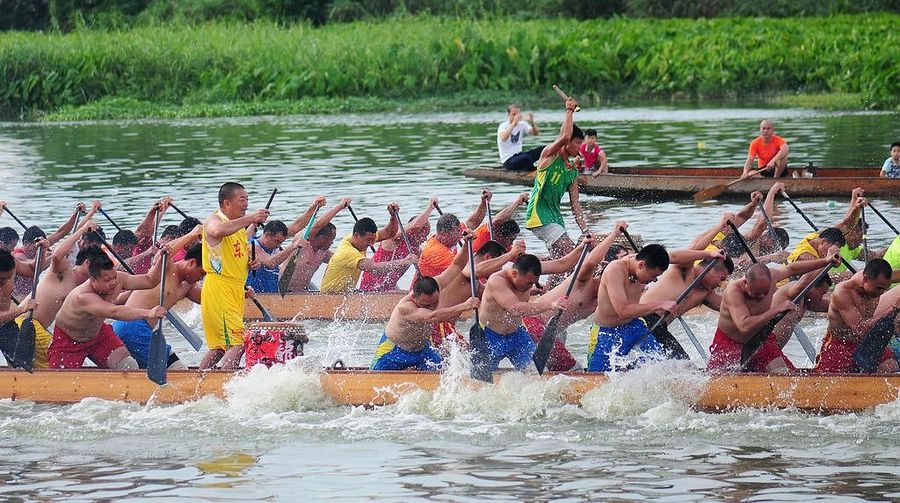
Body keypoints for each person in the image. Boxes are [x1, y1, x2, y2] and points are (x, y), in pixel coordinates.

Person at [708, 254, 838, 373]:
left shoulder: (773, 276)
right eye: (757, 293)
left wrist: (824, 261)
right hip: (730, 342)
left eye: (765, 292)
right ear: (745, 283)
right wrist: (777, 309)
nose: (761, 297)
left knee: (785, 378)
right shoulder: (733, 291)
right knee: (717, 382)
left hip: (762, 340)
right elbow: (744, 325)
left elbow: (792, 269)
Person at [524, 223, 627, 371]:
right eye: (622, 262)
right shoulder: (584, 281)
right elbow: (591, 261)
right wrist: (614, 234)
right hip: (534, 324)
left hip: (553, 334)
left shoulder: (609, 297)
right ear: (606, 265)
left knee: (556, 372)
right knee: (574, 371)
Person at [50, 252, 166, 369]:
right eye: (107, 280)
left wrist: (161, 259)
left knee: (128, 366)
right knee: (61, 382)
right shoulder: (83, 296)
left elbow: (149, 281)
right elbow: (114, 312)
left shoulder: (118, 279)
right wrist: (149, 313)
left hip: (98, 335)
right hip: (68, 341)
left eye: (114, 277)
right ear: (93, 280)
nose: (113, 283)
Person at [199, 182, 269, 370]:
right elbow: (216, 231)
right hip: (220, 289)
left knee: (220, 347)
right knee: (238, 343)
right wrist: (251, 219)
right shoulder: (214, 219)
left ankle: (199, 381)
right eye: (242, 199)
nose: (246, 204)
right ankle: (227, 384)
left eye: (247, 199)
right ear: (226, 203)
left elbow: (234, 256)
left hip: (235, 289)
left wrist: (249, 264)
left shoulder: (237, 229)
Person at [14, 220, 102, 369]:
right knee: (57, 362)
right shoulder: (64, 271)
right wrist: (81, 230)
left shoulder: (83, 286)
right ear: (86, 263)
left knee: (50, 364)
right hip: (27, 324)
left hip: (38, 327)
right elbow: (56, 256)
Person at [114, 242, 205, 369]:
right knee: (178, 370)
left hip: (139, 330)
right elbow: (162, 254)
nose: (201, 278)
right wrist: (194, 234)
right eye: (202, 273)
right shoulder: (167, 268)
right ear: (192, 263)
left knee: (144, 373)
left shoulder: (187, 287)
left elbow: (209, 300)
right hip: (132, 325)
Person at [587, 244, 674, 372]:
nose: (654, 280)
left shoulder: (641, 264)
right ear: (641, 265)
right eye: (653, 275)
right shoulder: (615, 270)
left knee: (660, 367)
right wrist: (659, 304)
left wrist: (708, 255)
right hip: (606, 333)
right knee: (599, 380)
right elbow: (623, 311)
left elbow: (677, 257)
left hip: (634, 327)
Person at [525, 96, 589, 265]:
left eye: (581, 143)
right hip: (539, 216)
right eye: (577, 142)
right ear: (568, 143)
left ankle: (547, 289)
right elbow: (564, 137)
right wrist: (569, 110)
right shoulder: (549, 155)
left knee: (560, 262)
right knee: (572, 256)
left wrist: (586, 231)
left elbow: (575, 205)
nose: (579, 147)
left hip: (555, 219)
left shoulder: (572, 171)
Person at [478, 254, 568, 372]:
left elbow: (563, 265)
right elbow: (514, 308)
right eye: (529, 283)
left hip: (517, 336)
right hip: (489, 336)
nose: (530, 286)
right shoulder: (496, 281)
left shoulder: (523, 281)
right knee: (482, 380)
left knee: (537, 373)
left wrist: (582, 247)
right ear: (514, 273)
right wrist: (550, 304)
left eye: (533, 284)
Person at [370, 276, 479, 371]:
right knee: (372, 379)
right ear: (414, 298)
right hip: (393, 350)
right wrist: (463, 306)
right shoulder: (405, 307)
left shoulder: (436, 284)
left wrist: (465, 251)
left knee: (444, 375)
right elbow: (431, 316)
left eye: (435, 303)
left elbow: (456, 265)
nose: (432, 307)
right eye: (426, 305)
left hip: (423, 351)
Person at [641, 248, 733, 359]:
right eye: (722, 278)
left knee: (684, 364)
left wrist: (740, 289)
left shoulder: (705, 293)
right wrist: (718, 230)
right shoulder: (684, 269)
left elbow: (732, 307)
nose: (720, 284)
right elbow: (687, 250)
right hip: (643, 318)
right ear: (710, 269)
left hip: (660, 327)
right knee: (683, 364)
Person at [816, 259, 899, 373]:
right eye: (879, 288)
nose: (882, 292)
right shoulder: (843, 292)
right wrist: (893, 309)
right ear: (865, 279)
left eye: (885, 288)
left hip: (868, 341)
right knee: (828, 383)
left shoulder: (879, 279)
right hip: (840, 343)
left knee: (891, 368)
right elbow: (860, 330)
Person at [320, 204, 417, 293]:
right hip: (328, 297)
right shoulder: (347, 252)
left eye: (373, 239)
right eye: (368, 240)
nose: (371, 244)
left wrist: (393, 216)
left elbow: (389, 233)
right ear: (356, 235)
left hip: (345, 294)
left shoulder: (358, 238)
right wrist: (403, 262)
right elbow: (374, 268)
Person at [361, 197, 437, 292]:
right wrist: (430, 207)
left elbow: (431, 263)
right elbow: (416, 225)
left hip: (389, 288)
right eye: (423, 234)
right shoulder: (394, 238)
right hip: (370, 288)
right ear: (412, 231)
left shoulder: (415, 250)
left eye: (427, 235)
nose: (425, 239)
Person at [282, 197, 349, 292]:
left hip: (302, 291)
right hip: (283, 290)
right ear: (322, 238)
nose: (332, 243)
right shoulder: (302, 241)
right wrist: (340, 206)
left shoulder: (324, 253)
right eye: (331, 239)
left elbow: (343, 261)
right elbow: (318, 224)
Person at [417, 193, 490, 279]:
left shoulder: (454, 231)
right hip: (429, 290)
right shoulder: (435, 252)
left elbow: (473, 222)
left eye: (460, 231)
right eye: (457, 233)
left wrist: (483, 202)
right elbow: (468, 270)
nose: (460, 236)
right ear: (443, 233)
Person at [0, 249, 38, 365]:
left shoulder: (12, 262)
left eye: (9, 277)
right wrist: (21, 309)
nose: (6, 281)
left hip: (6, 326)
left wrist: (41, 252)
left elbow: (33, 270)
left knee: (23, 362)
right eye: (1, 280)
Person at [246, 220, 303, 294]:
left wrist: (315, 208)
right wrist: (293, 246)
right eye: (277, 241)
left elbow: (297, 225)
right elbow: (271, 263)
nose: (278, 246)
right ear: (267, 235)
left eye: (280, 243)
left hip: (273, 296)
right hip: (255, 296)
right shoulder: (252, 246)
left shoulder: (275, 243)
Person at [497, 104, 541, 171]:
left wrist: (532, 123)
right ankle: (532, 171)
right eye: (514, 114)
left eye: (518, 114)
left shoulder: (522, 124)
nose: (516, 116)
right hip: (508, 161)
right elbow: (504, 138)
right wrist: (514, 123)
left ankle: (542, 168)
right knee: (526, 158)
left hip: (519, 156)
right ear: (508, 115)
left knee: (545, 149)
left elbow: (536, 133)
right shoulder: (503, 126)